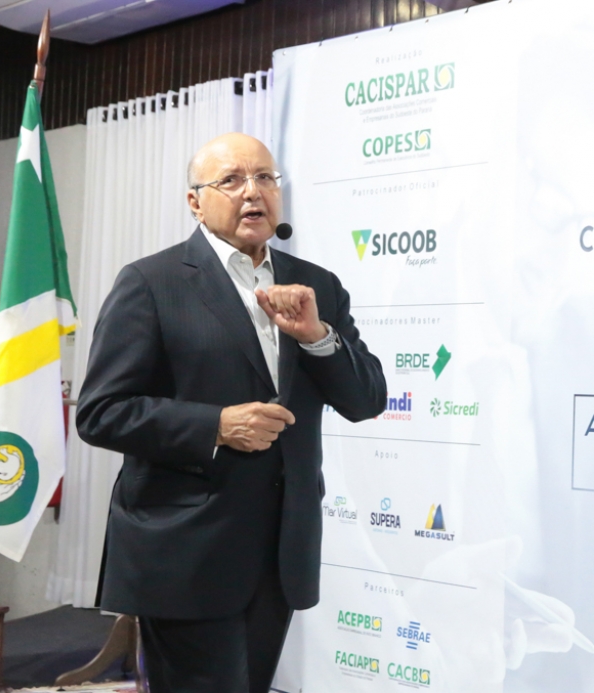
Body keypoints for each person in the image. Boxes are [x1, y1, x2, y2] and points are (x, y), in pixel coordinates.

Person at [76, 133, 386, 693]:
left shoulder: (317, 285)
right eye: (232, 180)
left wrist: (317, 336)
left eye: (265, 178)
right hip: (185, 551)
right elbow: (101, 411)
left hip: (280, 551)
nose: (253, 192)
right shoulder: (151, 282)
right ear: (195, 202)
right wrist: (215, 426)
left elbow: (366, 401)